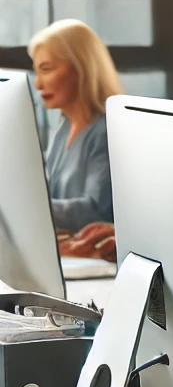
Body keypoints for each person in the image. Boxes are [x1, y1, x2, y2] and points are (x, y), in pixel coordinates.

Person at [30, 19, 122, 233]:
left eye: (46, 69)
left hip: (96, 259)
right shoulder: (63, 128)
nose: (38, 84)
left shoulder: (108, 132)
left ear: (81, 68)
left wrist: (32, 207)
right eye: (37, 71)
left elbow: (96, 210)